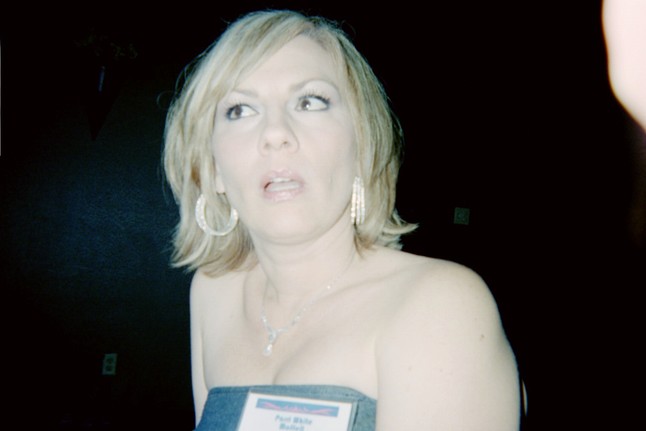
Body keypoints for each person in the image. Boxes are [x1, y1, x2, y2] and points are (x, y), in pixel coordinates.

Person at [163, 9, 521, 430]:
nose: (275, 133)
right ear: (212, 170)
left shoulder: (440, 305)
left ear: (361, 146)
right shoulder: (214, 291)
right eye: (240, 109)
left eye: (309, 102)